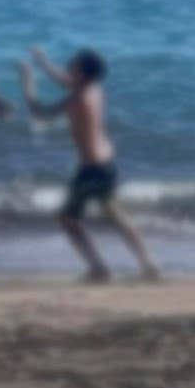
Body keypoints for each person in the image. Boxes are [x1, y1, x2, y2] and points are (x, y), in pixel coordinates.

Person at [19, 46, 162, 283]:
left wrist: (28, 82)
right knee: (114, 214)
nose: (69, 67)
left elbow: (39, 112)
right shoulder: (94, 89)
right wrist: (43, 62)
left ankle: (99, 269)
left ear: (82, 73)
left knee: (68, 219)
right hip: (106, 164)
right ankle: (148, 264)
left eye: (73, 65)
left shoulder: (77, 99)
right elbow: (64, 80)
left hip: (91, 169)